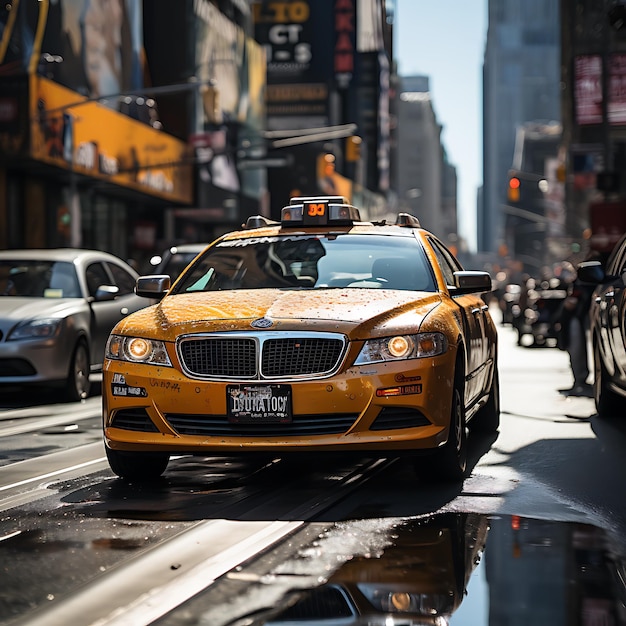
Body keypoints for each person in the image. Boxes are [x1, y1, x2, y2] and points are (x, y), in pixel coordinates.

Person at [557, 274, 594, 396]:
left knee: (577, 350)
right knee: (575, 350)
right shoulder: (578, 281)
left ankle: (580, 379)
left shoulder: (588, 279)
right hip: (576, 317)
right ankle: (579, 380)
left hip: (582, 316)